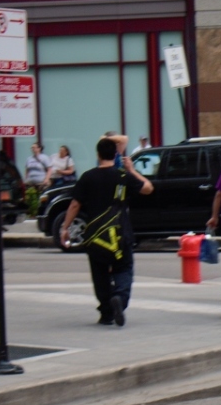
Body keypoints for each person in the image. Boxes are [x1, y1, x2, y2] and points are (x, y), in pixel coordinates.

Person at [58, 134, 153, 326]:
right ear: (115, 154)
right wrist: (132, 170)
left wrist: (65, 227)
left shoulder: (88, 177)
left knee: (99, 273)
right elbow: (148, 188)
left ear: (98, 154)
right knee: (124, 269)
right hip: (120, 234)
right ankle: (119, 297)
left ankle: (106, 312)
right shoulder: (123, 176)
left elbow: (75, 204)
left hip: (95, 236)